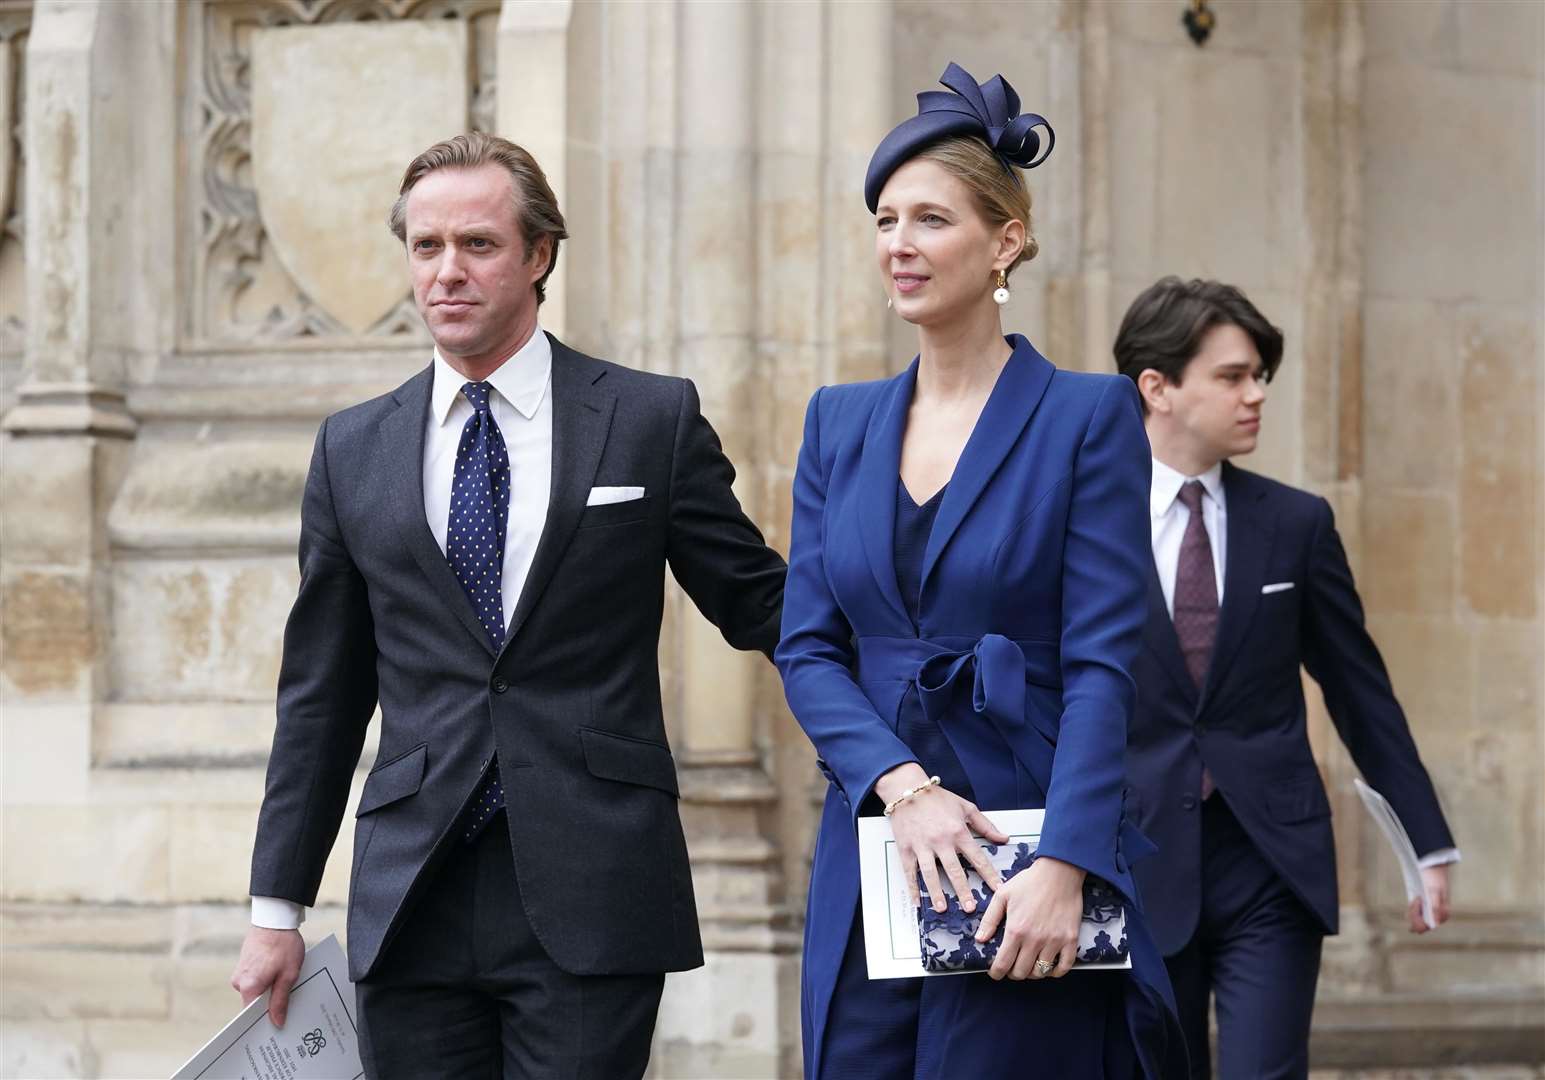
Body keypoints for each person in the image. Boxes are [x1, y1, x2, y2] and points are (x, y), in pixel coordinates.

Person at [228, 132, 787, 1080]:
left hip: (593, 882)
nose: (447, 271)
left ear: (538, 256)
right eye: (426, 247)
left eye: (478, 245)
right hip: (412, 895)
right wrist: (276, 912)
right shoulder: (351, 449)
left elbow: (759, 603)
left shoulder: (648, 421)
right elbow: (320, 699)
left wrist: (915, 693)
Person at [775, 64, 1187, 1079]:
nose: (899, 246)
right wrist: (900, 786)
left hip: (1027, 838)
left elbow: (1103, 662)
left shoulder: (1088, 416)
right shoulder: (838, 421)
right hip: (878, 836)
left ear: (1005, 240)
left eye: (930, 219)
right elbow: (808, 648)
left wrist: (1067, 863)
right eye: (884, 220)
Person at [1114, 276, 1459, 1079]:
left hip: (1270, 857)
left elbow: (1357, 687)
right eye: (1231, 376)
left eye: (1258, 376)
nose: (1255, 395)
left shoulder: (1296, 523)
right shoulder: (1084, 521)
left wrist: (1425, 841)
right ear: (1156, 388)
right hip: (1133, 854)